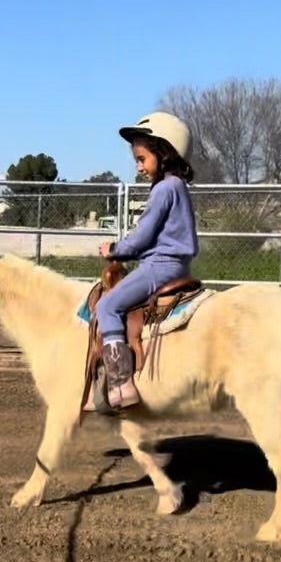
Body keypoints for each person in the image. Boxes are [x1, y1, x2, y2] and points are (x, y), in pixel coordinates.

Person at [91, 111, 199, 410]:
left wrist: (114, 249)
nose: (138, 166)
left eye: (142, 159)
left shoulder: (164, 189)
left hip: (159, 267)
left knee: (107, 306)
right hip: (176, 266)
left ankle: (120, 382)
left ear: (164, 153)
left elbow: (142, 237)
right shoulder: (177, 186)